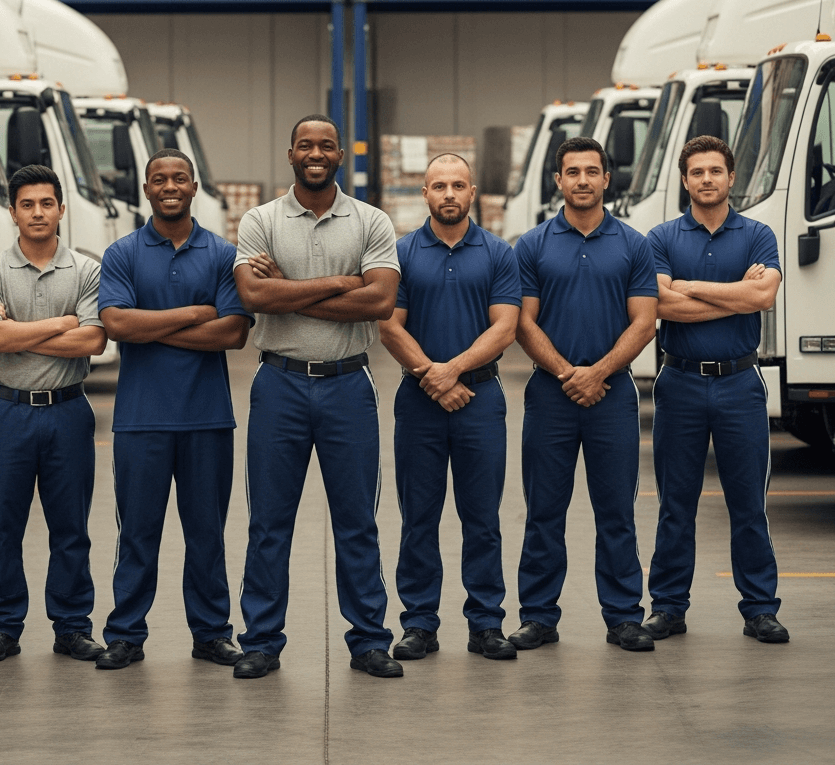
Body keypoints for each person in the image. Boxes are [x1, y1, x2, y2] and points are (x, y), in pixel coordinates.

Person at [232, 114, 402, 679]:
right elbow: (255, 294)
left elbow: (378, 303)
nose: (315, 153)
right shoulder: (260, 220)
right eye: (305, 144)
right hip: (277, 384)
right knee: (268, 522)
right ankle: (260, 640)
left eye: (326, 145)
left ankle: (370, 641)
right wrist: (339, 282)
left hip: (348, 385)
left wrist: (290, 290)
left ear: (339, 156)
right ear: (290, 154)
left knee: (358, 521)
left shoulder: (371, 221)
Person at [95, 149, 253, 670]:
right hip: (141, 421)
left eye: (179, 178)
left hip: (207, 419)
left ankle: (211, 633)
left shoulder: (223, 254)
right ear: (146, 189)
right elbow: (118, 326)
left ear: (192, 188)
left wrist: (153, 325)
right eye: (159, 179)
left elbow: (232, 332)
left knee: (206, 533)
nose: (169, 186)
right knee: (137, 533)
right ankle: (125, 634)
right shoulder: (122, 254)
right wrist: (192, 315)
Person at [512, 137, 659, 653]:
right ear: (558, 181)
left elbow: (644, 322)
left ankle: (623, 616)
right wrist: (566, 373)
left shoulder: (634, 244)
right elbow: (521, 322)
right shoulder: (532, 245)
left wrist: (598, 372)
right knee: (544, 510)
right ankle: (538, 616)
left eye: (591, 171)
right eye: (571, 172)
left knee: (616, 509)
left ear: (605, 179)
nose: (581, 180)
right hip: (550, 396)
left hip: (613, 395)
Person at [379, 153, 521, 662]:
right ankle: (419, 623)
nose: (449, 194)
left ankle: (486, 624)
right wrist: (434, 379)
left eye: (458, 185)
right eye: (438, 185)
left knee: (481, 517)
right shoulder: (402, 253)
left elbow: (505, 326)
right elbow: (389, 324)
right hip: (419, 401)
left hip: (480, 400)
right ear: (425, 193)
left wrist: (451, 372)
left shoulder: (499, 254)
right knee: (419, 516)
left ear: (473, 191)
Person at [645, 136, 787, 643]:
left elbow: (765, 294)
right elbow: (660, 304)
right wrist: (737, 297)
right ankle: (667, 607)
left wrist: (689, 286)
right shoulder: (661, 237)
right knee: (674, 502)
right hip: (679, 381)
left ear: (731, 179)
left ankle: (759, 609)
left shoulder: (757, 234)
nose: (706, 180)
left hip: (740, 384)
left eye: (716, 171)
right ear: (685, 180)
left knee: (748, 502)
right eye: (697, 172)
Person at [0, 164, 106, 663]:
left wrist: (23, 331)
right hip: (7, 412)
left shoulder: (87, 270)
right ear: (12, 212)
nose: (38, 213)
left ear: (61, 209)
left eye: (46, 203)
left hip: (68, 413)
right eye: (27, 204)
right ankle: (1, 627)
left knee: (70, 527)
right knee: (3, 526)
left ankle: (72, 626)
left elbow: (93, 339)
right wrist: (61, 324)